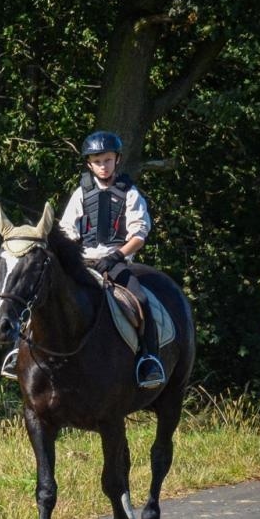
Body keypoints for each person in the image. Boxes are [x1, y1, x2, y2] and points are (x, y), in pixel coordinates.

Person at [57, 130, 165, 389]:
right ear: (89, 164)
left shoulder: (131, 193)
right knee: (46, 287)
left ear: (117, 159)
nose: (103, 166)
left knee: (140, 299)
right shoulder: (80, 193)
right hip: (83, 261)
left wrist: (116, 255)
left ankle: (149, 358)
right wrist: (73, 254)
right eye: (97, 161)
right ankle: (21, 349)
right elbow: (67, 229)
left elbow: (139, 235)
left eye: (107, 160)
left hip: (116, 261)